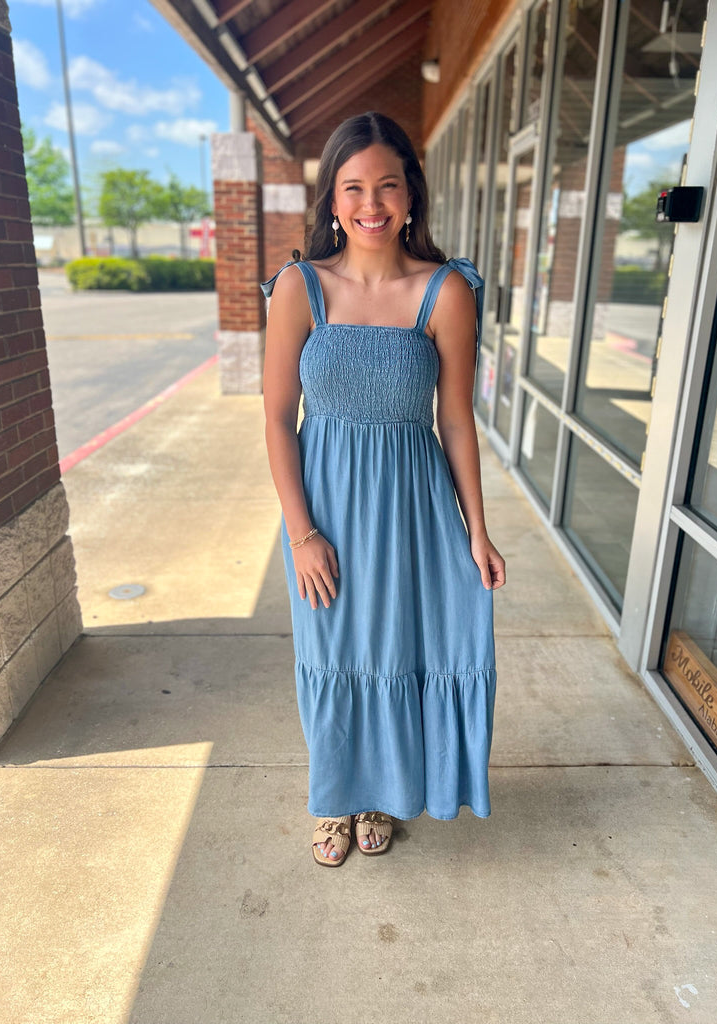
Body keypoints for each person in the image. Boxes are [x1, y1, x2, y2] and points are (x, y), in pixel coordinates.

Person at [262, 112, 505, 868]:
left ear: (410, 195)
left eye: (387, 185)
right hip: (327, 510)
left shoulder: (446, 291)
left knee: (402, 650)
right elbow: (276, 419)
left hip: (414, 510)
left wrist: (477, 529)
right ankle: (335, 798)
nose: (372, 203)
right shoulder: (300, 288)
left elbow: (455, 421)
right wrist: (301, 533)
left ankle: (381, 794)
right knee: (334, 652)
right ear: (333, 200)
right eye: (354, 187)